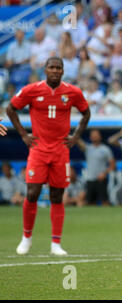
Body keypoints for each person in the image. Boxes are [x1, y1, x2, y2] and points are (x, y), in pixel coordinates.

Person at [6, 56, 90, 256]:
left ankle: (56, 244)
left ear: (63, 71)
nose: (55, 71)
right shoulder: (32, 90)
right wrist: (24, 134)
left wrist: (76, 136)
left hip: (61, 151)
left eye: (58, 68)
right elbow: (10, 109)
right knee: (33, 193)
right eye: (51, 67)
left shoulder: (72, 92)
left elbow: (86, 113)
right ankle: (26, 238)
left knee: (57, 196)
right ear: (45, 70)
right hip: (38, 150)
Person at [77, 129, 116, 206]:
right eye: (93, 135)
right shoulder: (88, 148)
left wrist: (104, 173)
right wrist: (76, 133)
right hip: (90, 179)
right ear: (90, 137)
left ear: (100, 137)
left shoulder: (105, 149)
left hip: (101, 179)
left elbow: (113, 165)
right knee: (90, 203)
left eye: (96, 135)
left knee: (105, 201)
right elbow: (78, 141)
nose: (95, 137)